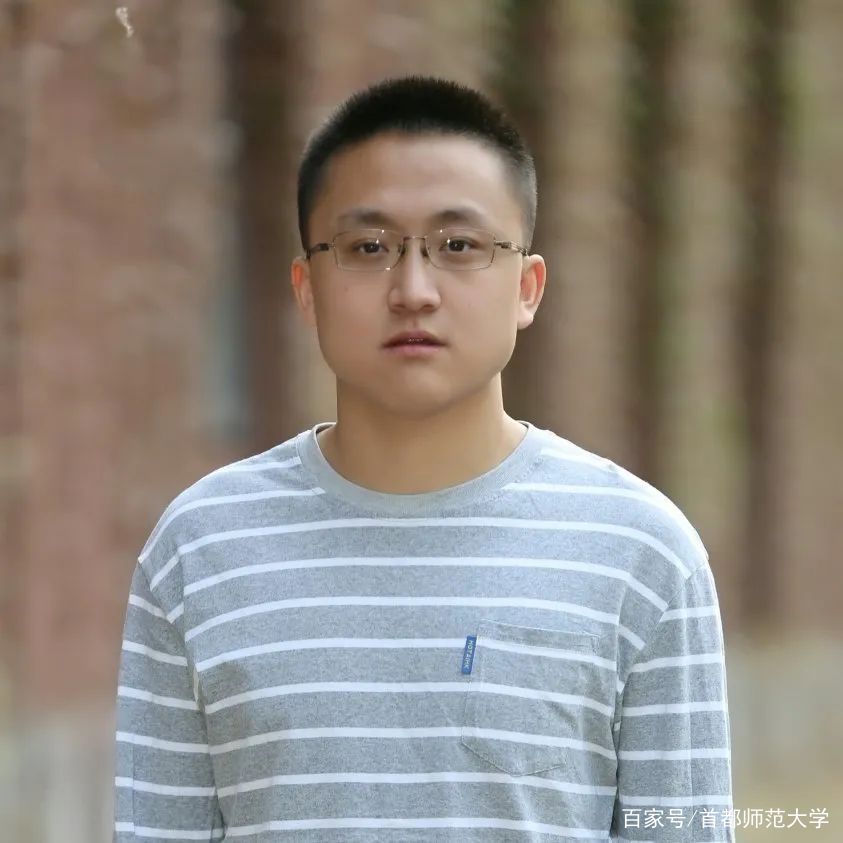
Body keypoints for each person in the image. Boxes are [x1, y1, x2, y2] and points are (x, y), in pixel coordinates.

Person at [112, 75, 735, 842]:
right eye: (368, 248)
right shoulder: (199, 549)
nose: (413, 290)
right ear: (306, 289)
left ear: (527, 287)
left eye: (458, 247)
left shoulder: (641, 554)